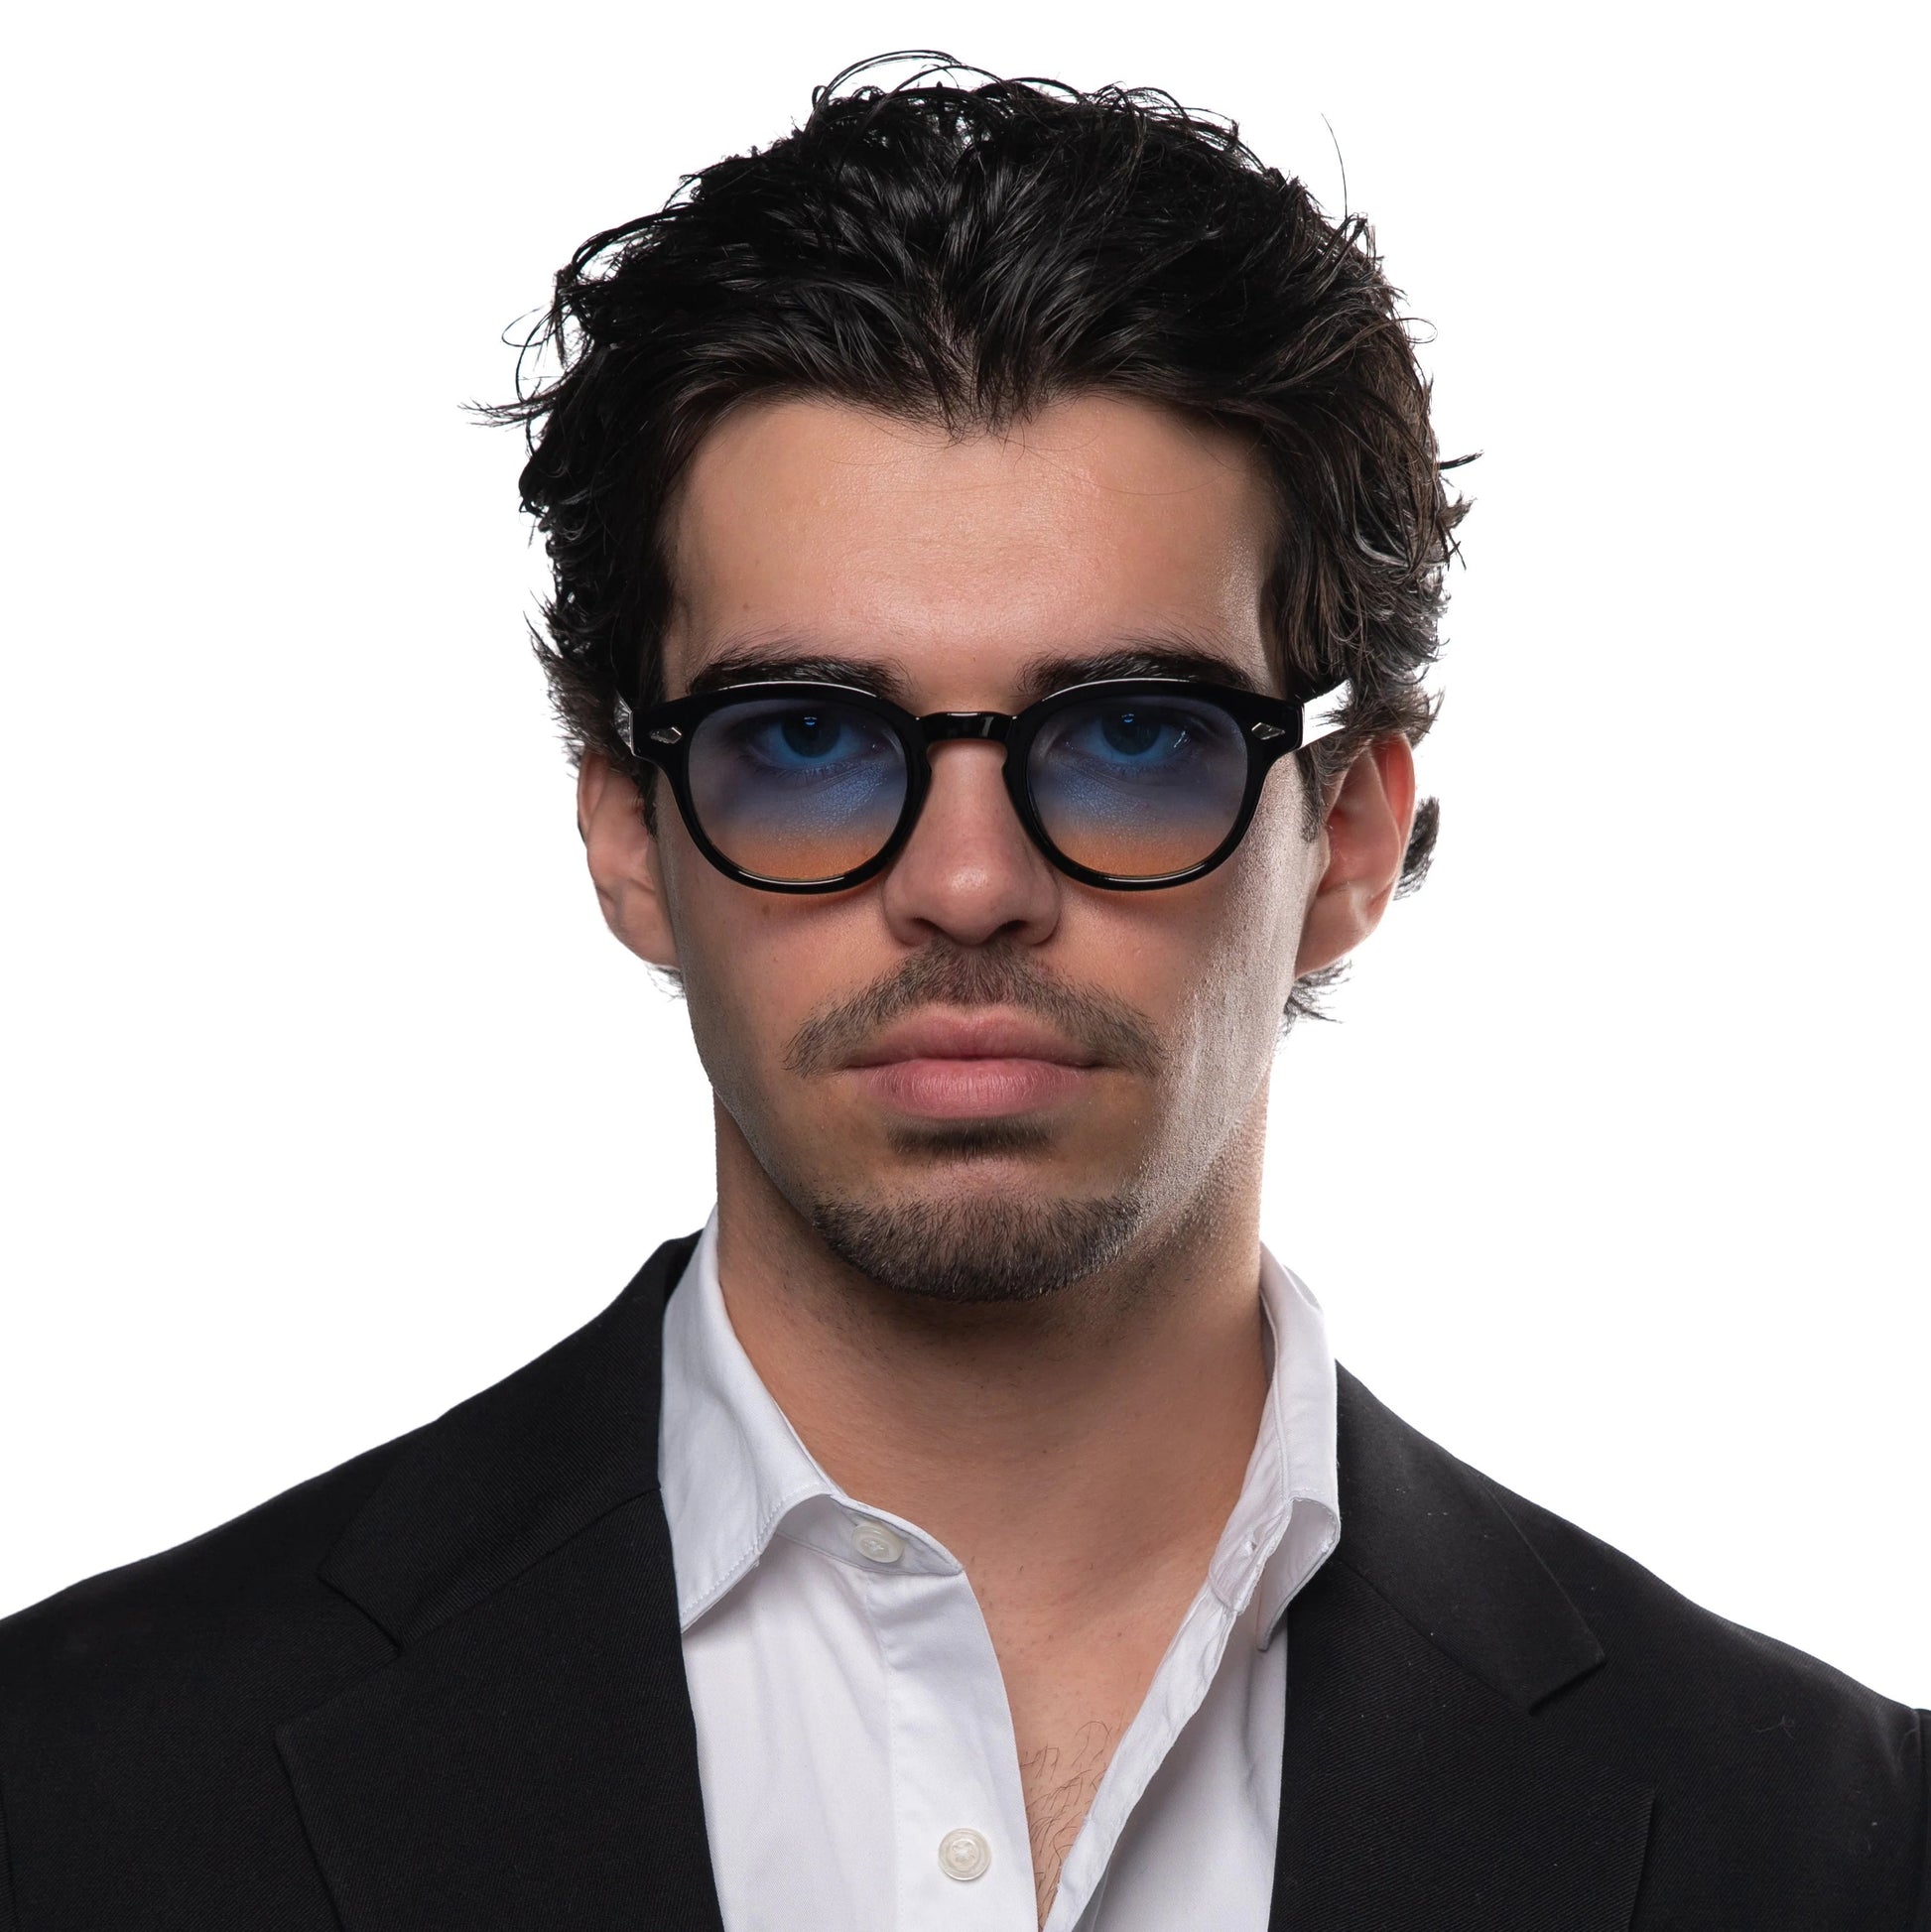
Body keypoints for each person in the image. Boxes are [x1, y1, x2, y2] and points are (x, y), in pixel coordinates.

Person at [0, 55, 1923, 1932]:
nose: (969, 885)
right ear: (626, 833)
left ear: (1345, 835)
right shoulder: (75, 1790)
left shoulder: (1833, 1852)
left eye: (1134, 734)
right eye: (806, 737)